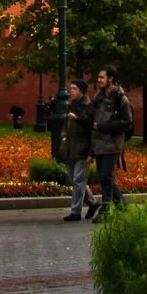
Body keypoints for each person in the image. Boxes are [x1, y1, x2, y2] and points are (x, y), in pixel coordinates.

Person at [90, 66, 133, 219]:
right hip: (99, 144)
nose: (99, 80)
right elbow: (91, 117)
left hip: (113, 144)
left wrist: (103, 127)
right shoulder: (99, 97)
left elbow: (127, 122)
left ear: (111, 79)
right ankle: (121, 205)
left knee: (105, 176)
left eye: (102, 77)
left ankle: (105, 210)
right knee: (104, 177)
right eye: (99, 77)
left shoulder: (120, 98)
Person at [59, 79, 96, 222]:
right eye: (70, 88)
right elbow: (65, 126)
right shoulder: (71, 105)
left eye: (74, 89)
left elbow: (90, 128)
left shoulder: (88, 107)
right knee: (73, 180)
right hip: (70, 148)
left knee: (78, 179)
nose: (71, 91)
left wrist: (91, 153)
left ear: (81, 90)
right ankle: (92, 202)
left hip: (82, 149)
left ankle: (75, 211)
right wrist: (63, 137)